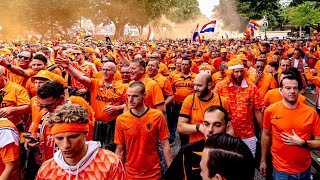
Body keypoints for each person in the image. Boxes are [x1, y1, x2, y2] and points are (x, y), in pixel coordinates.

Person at [36, 104, 125, 179]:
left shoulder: (110, 163)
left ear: (86, 133)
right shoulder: (46, 170)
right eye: (59, 138)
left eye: (73, 137)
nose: (66, 145)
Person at [56, 58, 127, 151]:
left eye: (108, 70)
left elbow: (128, 105)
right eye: (103, 69)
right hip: (97, 124)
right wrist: (68, 67)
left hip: (113, 124)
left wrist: (116, 108)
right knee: (95, 148)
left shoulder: (121, 87)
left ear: (114, 72)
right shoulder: (95, 83)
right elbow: (80, 77)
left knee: (111, 148)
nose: (104, 72)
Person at [260, 75, 320, 179]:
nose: (292, 91)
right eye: (288, 88)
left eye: (295, 88)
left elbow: (319, 143)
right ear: (281, 90)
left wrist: (303, 143)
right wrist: (263, 160)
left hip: (304, 169)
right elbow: (265, 136)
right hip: (281, 170)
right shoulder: (270, 111)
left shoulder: (311, 112)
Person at [114, 82, 172, 179]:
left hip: (154, 173)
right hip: (130, 174)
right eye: (128, 96)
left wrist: (172, 171)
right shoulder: (121, 119)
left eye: (135, 96)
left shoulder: (157, 116)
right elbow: (120, 150)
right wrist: (117, 173)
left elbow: (165, 145)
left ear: (144, 95)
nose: (130, 100)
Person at [166, 105, 233, 180]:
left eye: (217, 125)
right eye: (206, 124)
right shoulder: (188, 151)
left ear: (226, 127)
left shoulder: (236, 154)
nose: (210, 129)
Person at [214, 59, 264, 156]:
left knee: (248, 163)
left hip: (248, 134)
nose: (239, 74)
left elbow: (257, 110)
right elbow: (215, 110)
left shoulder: (251, 87)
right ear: (230, 73)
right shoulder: (220, 87)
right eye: (236, 72)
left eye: (241, 71)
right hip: (227, 134)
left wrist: (263, 130)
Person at [178, 72, 230, 143]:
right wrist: (199, 127)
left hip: (216, 146)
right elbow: (180, 127)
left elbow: (229, 128)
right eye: (194, 85)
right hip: (196, 147)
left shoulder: (222, 101)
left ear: (209, 86)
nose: (195, 88)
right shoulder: (190, 100)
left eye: (199, 85)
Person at [0, 66, 30, 132]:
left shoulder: (17, 89)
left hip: (13, 126)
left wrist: (12, 109)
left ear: (4, 76)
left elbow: (27, 107)